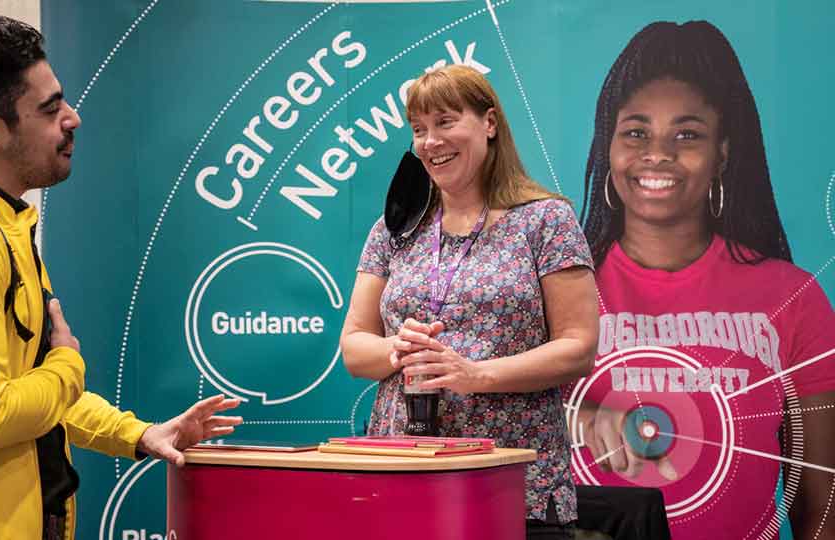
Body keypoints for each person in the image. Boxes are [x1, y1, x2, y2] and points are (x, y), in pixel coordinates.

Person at [0, 14, 242, 539]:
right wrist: (68, 363)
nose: (73, 118)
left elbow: (36, 395)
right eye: (50, 110)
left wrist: (139, 433)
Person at [573, 20, 835, 540]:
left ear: (723, 154)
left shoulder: (793, 299)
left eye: (687, 134)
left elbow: (821, 503)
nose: (658, 154)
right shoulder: (554, 288)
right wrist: (582, 415)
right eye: (636, 132)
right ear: (610, 148)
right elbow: (497, 456)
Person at [340, 64, 599, 539]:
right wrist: (397, 348)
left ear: (489, 124)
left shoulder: (545, 220)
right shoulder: (393, 230)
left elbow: (579, 346)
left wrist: (476, 374)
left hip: (513, 483)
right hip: (404, 476)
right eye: (418, 129)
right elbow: (355, 346)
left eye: (444, 122)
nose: (430, 142)